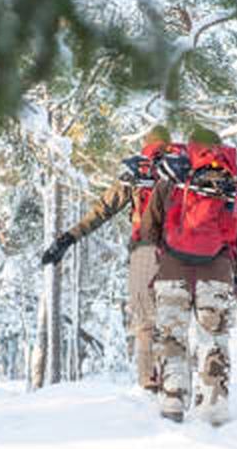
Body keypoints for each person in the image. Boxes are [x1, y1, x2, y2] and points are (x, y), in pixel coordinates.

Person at [41, 125, 175, 391]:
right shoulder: (183, 172)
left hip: (144, 252)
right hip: (178, 254)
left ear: (146, 145)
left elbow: (101, 211)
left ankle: (149, 383)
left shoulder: (137, 173)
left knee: (145, 321)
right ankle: (176, 383)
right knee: (174, 320)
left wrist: (68, 238)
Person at [141, 126, 237, 425]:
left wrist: (161, 255)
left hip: (172, 271)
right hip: (217, 272)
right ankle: (215, 404)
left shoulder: (173, 179)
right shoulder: (232, 183)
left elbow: (149, 227)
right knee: (214, 338)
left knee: (171, 336)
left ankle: (173, 399)